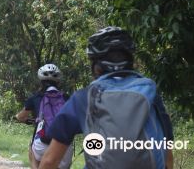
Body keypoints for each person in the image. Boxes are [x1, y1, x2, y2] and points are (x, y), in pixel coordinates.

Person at [40, 26, 174, 169]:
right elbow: (167, 154)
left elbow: (49, 161)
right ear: (132, 61)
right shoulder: (149, 93)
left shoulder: (83, 98)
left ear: (96, 67)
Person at [15, 64, 72, 169]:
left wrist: (19, 118)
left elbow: (21, 117)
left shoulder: (35, 98)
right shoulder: (66, 97)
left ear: (40, 80)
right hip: (64, 146)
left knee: (31, 149)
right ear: (58, 81)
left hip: (42, 144)